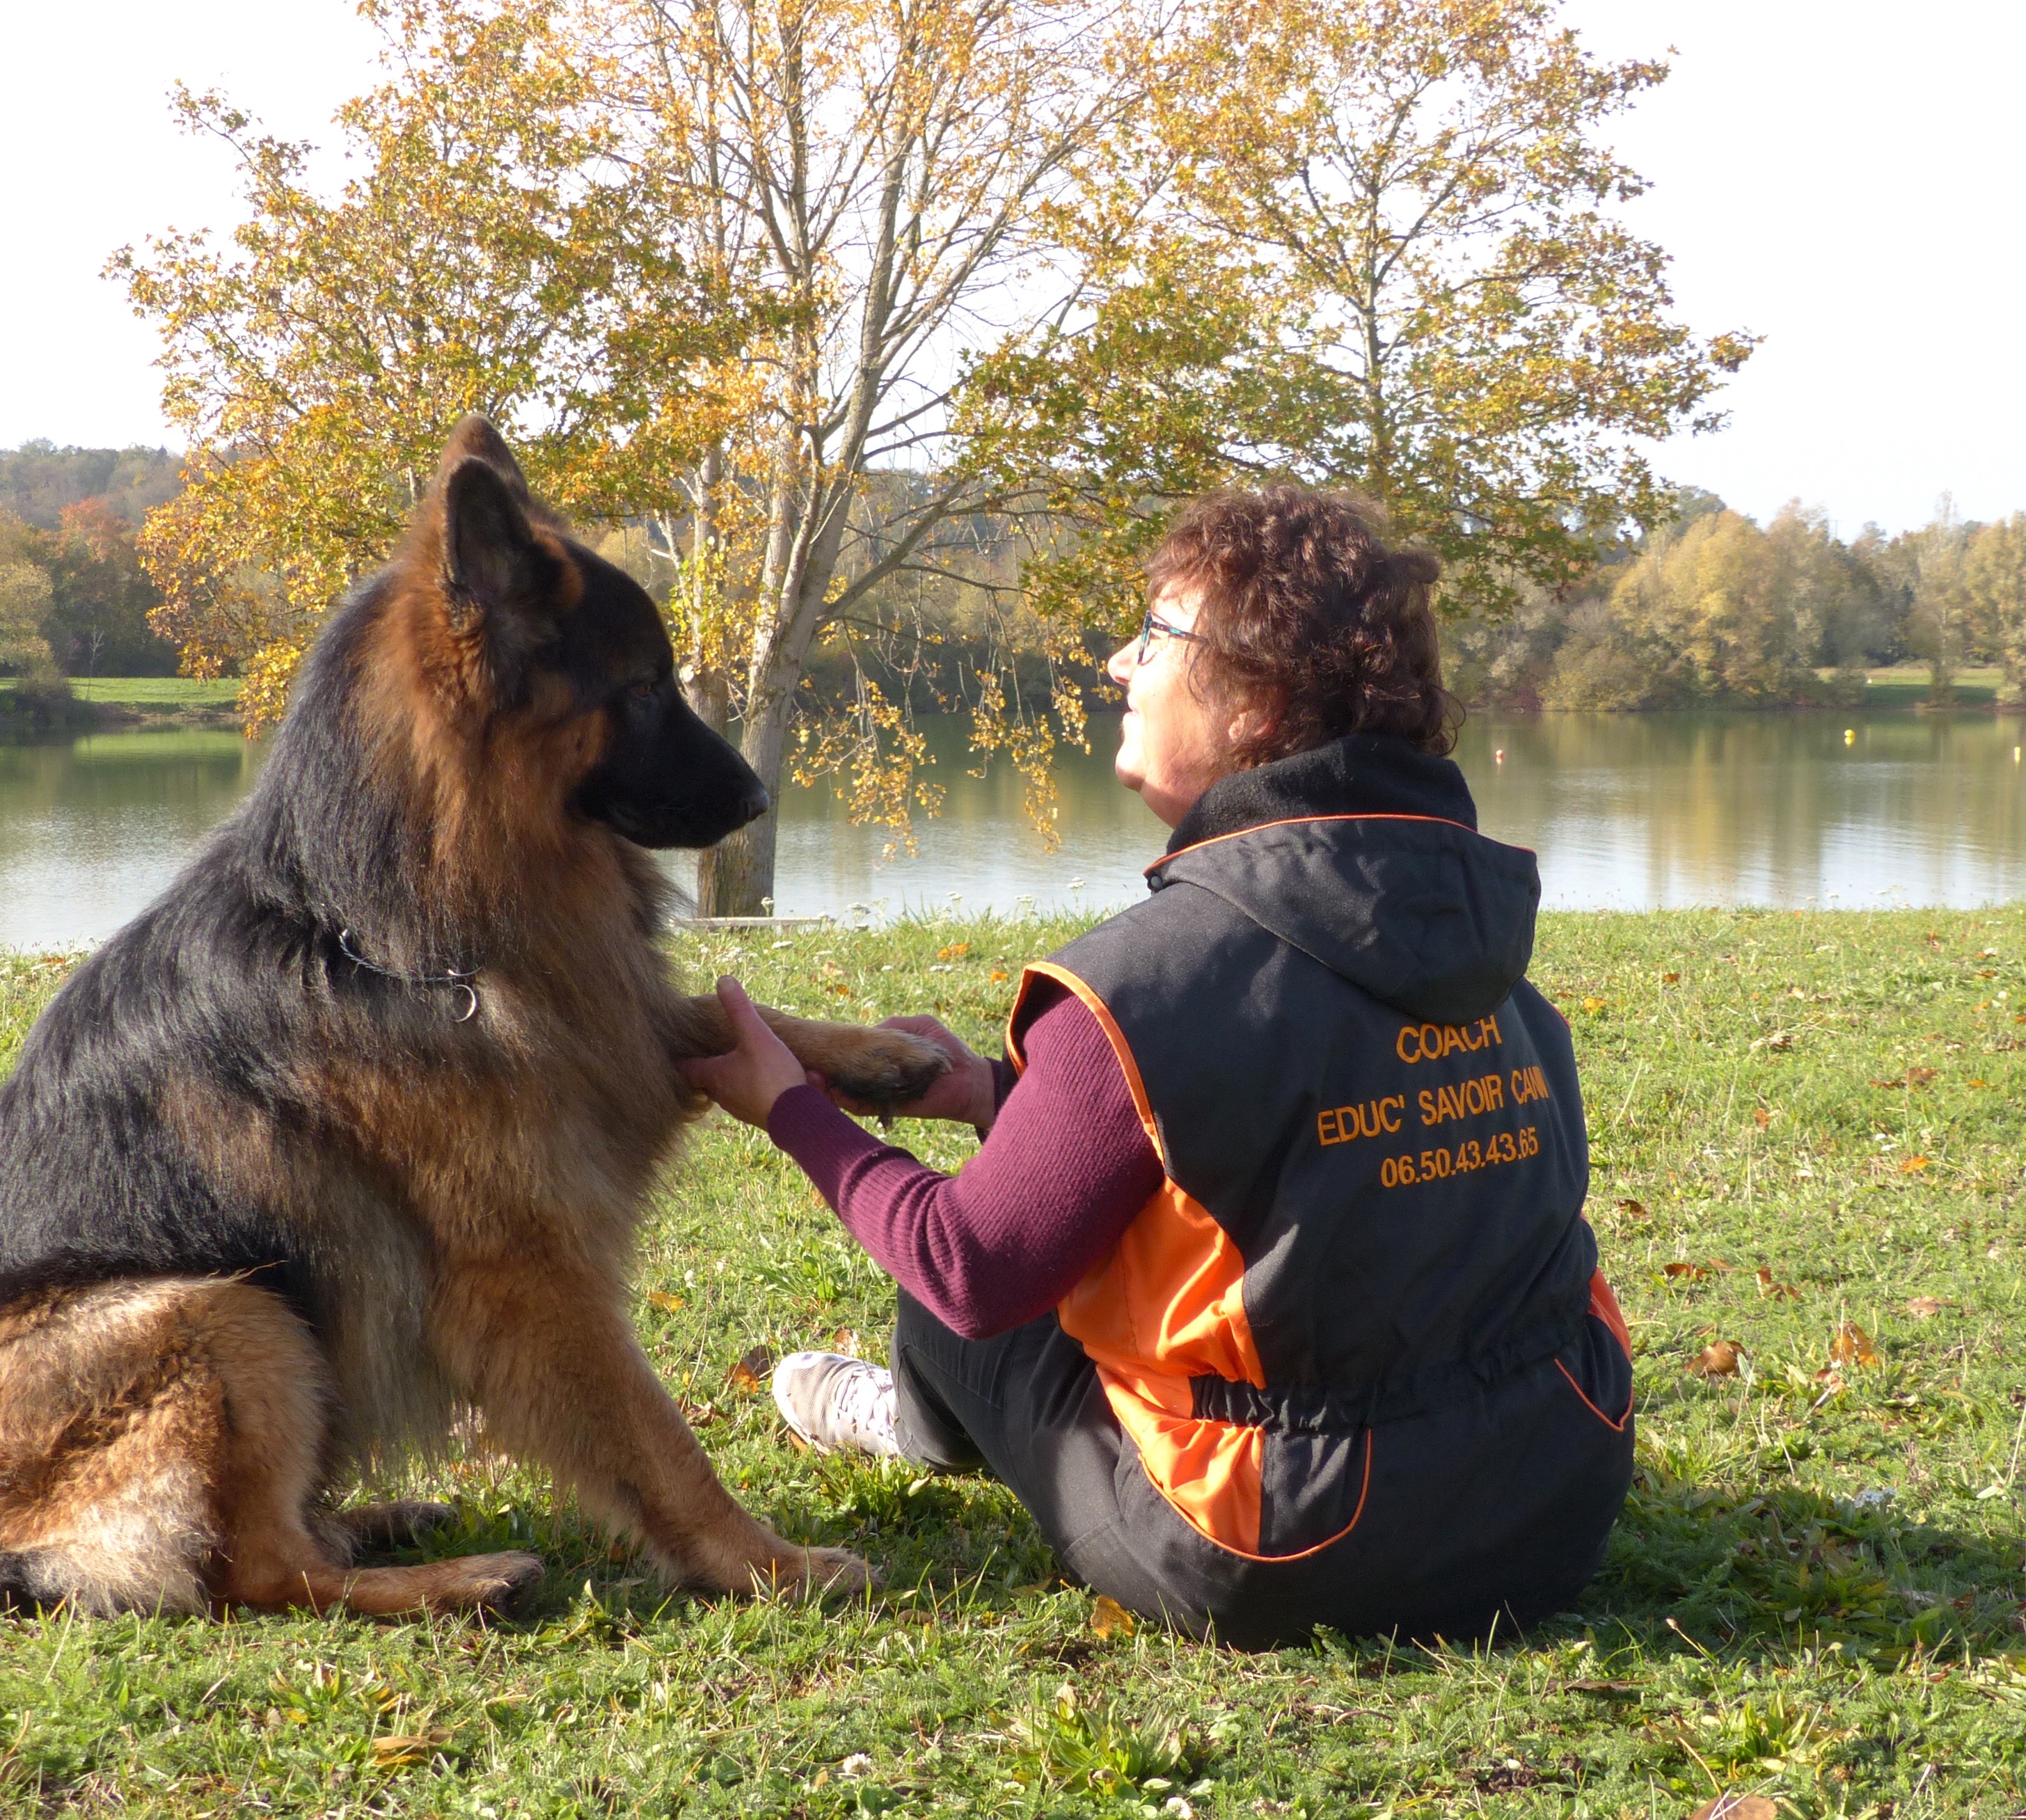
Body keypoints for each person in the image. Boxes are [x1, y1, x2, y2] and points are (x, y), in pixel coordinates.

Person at [680, 486, 1633, 1647]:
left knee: (953, 1316)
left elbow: (970, 1264)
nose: (1119, 662)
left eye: (1160, 635)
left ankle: (918, 1426)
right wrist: (992, 1094)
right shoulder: (1474, 916)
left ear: (1258, 700)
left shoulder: (1153, 978)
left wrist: (789, 1107)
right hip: (1555, 1494)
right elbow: (1290, 1144)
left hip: (1292, 1545)